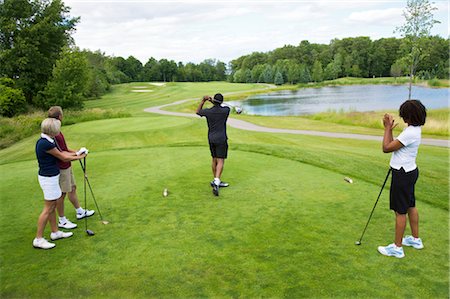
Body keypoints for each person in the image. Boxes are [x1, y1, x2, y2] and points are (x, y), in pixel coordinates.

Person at [377, 99, 427, 258]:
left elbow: (386, 148)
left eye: (404, 115)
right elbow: (392, 144)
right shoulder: (414, 129)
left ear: (410, 116)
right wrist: (390, 129)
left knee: (400, 211)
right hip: (410, 171)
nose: (403, 118)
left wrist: (386, 128)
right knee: (410, 205)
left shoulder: (410, 132)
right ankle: (415, 239)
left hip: (402, 174)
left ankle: (397, 248)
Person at [34, 118, 87, 249]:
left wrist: (76, 152)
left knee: (52, 207)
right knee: (48, 208)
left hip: (51, 176)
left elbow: (62, 152)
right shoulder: (45, 143)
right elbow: (63, 157)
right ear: (53, 130)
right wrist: (79, 157)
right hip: (49, 178)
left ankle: (55, 232)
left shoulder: (48, 140)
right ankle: (38, 239)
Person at [47, 106, 94, 229]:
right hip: (61, 167)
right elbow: (61, 154)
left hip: (67, 165)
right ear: (60, 117)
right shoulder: (54, 134)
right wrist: (78, 156)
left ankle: (79, 211)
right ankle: (62, 220)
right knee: (61, 194)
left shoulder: (57, 131)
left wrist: (77, 152)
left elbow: (65, 150)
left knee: (72, 188)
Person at [196, 93, 230, 196]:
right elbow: (222, 106)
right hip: (221, 138)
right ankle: (216, 181)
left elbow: (198, 112)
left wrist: (204, 100)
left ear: (214, 101)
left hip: (211, 138)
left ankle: (216, 180)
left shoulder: (208, 112)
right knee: (220, 160)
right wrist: (213, 101)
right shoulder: (226, 110)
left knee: (214, 159)